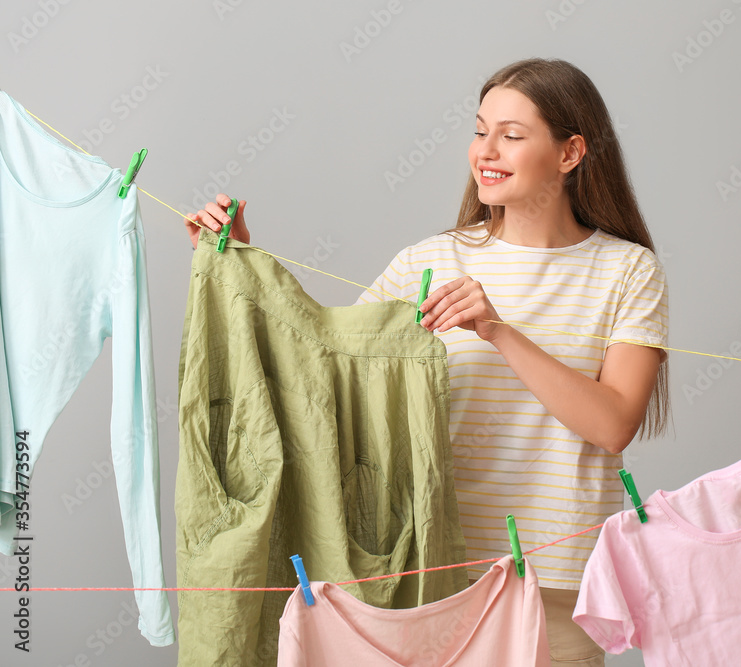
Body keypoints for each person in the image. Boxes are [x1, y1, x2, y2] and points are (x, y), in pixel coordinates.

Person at [186, 57, 669, 667]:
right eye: (479, 130)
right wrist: (242, 271)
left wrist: (498, 331)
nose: (485, 151)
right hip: (430, 576)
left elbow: (613, 422)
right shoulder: (429, 262)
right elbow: (324, 375)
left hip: (556, 581)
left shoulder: (626, 270)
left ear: (571, 153)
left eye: (512, 136)